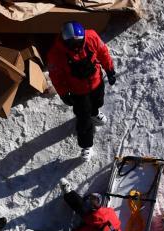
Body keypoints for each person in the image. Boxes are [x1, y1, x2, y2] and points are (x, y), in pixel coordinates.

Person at [47, 22, 116, 161]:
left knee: (98, 101)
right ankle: (86, 146)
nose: (77, 45)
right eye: (73, 43)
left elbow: (103, 52)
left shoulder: (91, 37)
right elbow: (56, 76)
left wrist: (109, 69)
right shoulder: (55, 54)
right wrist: (63, 93)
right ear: (66, 41)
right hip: (78, 91)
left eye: (79, 41)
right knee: (83, 119)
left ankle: (94, 113)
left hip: (96, 82)